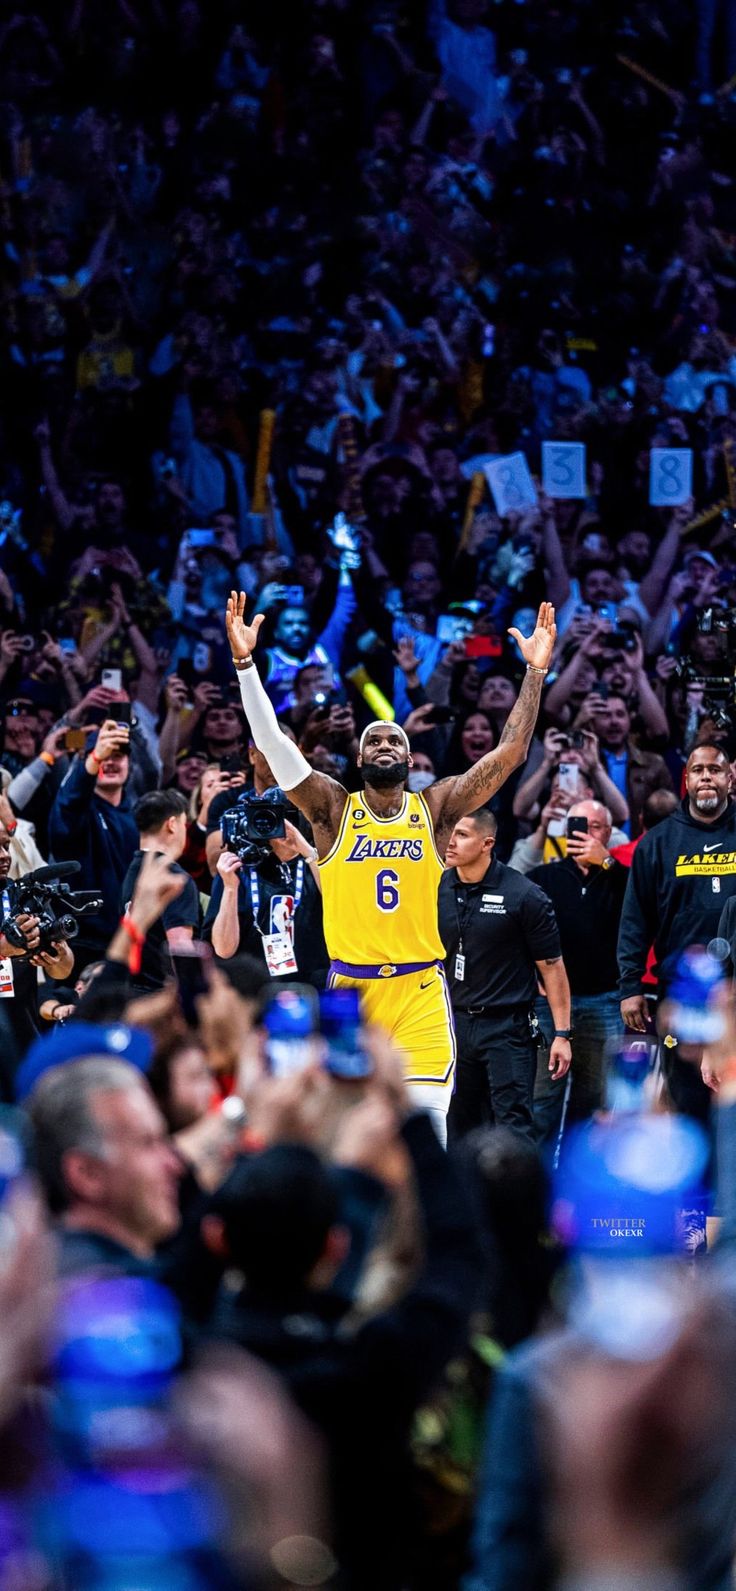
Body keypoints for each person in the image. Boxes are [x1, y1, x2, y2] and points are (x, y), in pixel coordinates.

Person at [226, 592, 557, 1140]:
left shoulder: (436, 809)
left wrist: (536, 673)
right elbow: (271, 745)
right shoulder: (333, 808)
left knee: (425, 1138)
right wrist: (244, 665)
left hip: (421, 994)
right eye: (373, 739)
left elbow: (511, 752)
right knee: (344, 1135)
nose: (384, 743)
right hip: (350, 994)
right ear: (359, 760)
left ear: (409, 760)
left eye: (394, 740)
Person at [439, 808, 572, 1145]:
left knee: (513, 1127)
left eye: (462, 834)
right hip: (450, 1023)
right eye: (450, 833)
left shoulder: (524, 894)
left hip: (506, 1027)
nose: (450, 842)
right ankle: (466, 1199)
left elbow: (552, 966)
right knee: (458, 1127)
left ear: (487, 843)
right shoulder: (435, 885)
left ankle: (518, 1198)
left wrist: (562, 1033)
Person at [618, 742, 736, 1118]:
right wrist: (630, 986)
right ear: (685, 779)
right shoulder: (658, 843)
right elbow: (635, 919)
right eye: (698, 770)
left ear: (730, 778)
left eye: (714, 770)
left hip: (734, 993)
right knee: (687, 1098)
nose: (706, 777)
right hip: (683, 996)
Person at [28, 1053, 183, 1277]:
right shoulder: (102, 1295)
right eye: (147, 1144)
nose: (174, 1164)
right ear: (87, 1174)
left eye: (163, 1141)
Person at [529, 800, 629, 1142]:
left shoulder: (620, 877)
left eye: (595, 826)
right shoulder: (543, 877)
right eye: (578, 825)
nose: (586, 833)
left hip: (604, 1000)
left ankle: (578, 1178)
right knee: (543, 1098)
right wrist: (530, 972)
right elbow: (514, 930)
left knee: (596, 1097)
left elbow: (646, 902)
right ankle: (537, 1188)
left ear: (609, 833)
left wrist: (606, 861)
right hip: (550, 1006)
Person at [203, 798, 327, 983]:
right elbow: (224, 950)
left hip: (310, 984)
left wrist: (307, 850)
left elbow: (342, 905)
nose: (284, 826)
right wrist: (230, 888)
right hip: (253, 989)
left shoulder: (314, 864)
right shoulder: (237, 871)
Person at [48, 719, 138, 965]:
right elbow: (69, 805)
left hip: (132, 942)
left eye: (118, 755)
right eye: (102, 756)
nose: (109, 762)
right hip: (86, 946)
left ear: (129, 763)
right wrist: (94, 759)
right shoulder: (76, 811)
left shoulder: (136, 815)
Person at [120, 789, 202, 990]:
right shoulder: (173, 876)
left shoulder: (130, 871)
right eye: (184, 824)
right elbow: (178, 945)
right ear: (172, 825)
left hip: (130, 992)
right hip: (160, 997)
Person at [593, 692, 673, 838]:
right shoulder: (586, 766)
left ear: (630, 718)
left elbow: (671, 815)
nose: (614, 721)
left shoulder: (654, 764)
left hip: (641, 851)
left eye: (620, 714)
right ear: (593, 722)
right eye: (606, 715)